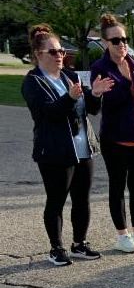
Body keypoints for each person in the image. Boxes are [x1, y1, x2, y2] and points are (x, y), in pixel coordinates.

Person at [21, 23, 110, 266]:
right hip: (54, 151)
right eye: (53, 52)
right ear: (39, 55)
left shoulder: (70, 76)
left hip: (83, 148)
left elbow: (89, 109)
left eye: (61, 51)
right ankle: (56, 248)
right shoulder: (33, 82)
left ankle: (79, 244)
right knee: (56, 200)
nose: (60, 55)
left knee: (82, 198)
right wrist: (70, 98)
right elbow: (49, 114)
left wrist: (96, 94)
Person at [90, 13, 134, 253]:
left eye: (125, 39)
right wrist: (129, 84)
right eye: (116, 40)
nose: (122, 44)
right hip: (116, 139)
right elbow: (112, 103)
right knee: (117, 187)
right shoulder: (100, 68)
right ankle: (122, 236)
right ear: (106, 43)